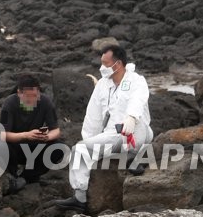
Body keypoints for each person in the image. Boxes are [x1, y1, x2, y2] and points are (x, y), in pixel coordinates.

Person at [55, 45, 153, 213]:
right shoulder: (102, 84)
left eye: (105, 63)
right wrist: (89, 140)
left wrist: (131, 117)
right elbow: (93, 115)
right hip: (112, 135)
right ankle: (80, 197)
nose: (102, 67)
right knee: (80, 149)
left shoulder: (136, 80)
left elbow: (138, 99)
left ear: (118, 63)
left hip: (137, 130)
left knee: (135, 129)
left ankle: (139, 154)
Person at [0, 74, 61, 193]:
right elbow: (3, 135)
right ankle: (12, 176)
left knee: (59, 148)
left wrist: (46, 137)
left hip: (35, 146)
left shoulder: (45, 101)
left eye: (35, 96)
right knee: (0, 145)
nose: (32, 99)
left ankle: (26, 177)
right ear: (19, 93)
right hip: (15, 146)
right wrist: (26, 135)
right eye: (28, 96)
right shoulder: (9, 103)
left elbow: (56, 130)